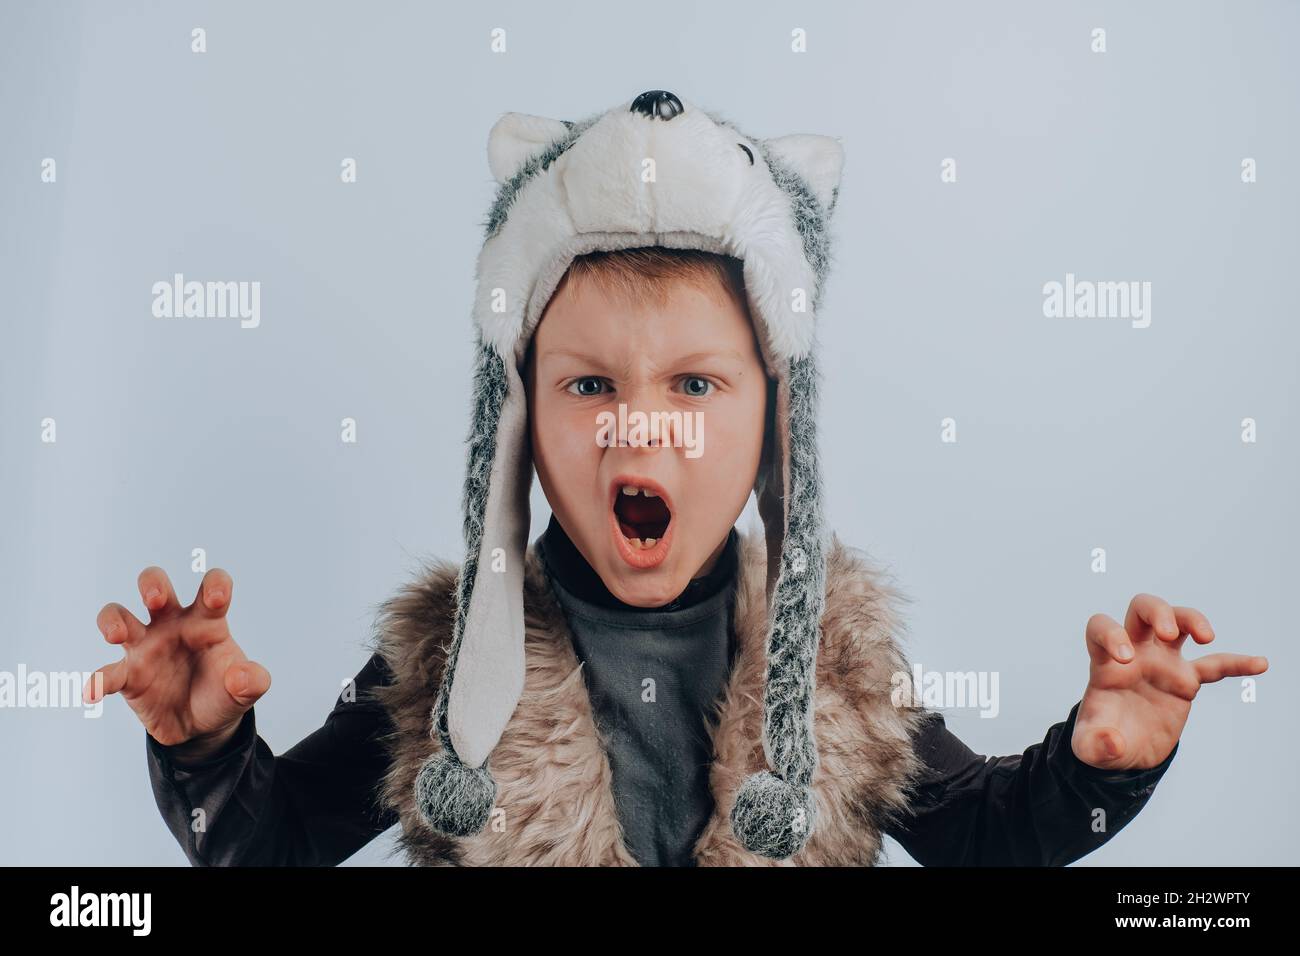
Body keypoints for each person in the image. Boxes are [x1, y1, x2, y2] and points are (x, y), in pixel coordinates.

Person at [88, 91, 1267, 866]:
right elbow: (275, 841)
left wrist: (1099, 759)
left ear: (773, 430)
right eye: (589, 387)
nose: (635, 432)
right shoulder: (446, 661)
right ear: (518, 425)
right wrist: (205, 753)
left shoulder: (833, 655)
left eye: (695, 387)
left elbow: (981, 830)